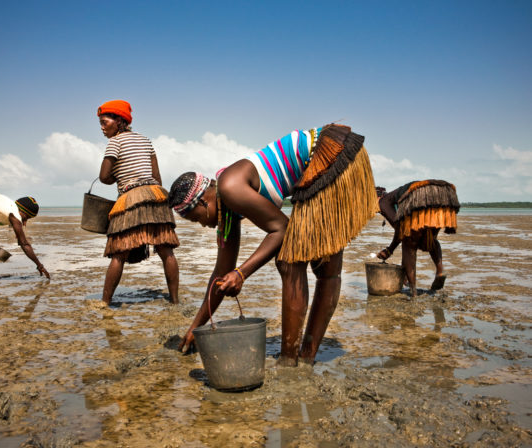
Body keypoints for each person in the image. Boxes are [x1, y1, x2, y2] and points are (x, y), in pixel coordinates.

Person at [168, 124, 377, 365]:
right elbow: (219, 275)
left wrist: (241, 273)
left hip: (331, 154)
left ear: (204, 201)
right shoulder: (227, 214)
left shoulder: (229, 186)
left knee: (290, 261)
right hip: (335, 153)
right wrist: (196, 327)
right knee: (320, 267)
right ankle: (305, 358)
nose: (203, 225)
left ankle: (292, 360)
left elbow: (281, 228)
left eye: (197, 218)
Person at [97, 100, 179, 305]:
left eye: (104, 122)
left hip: (131, 198)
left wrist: (120, 175)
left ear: (119, 121)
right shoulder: (145, 140)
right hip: (156, 195)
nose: (102, 127)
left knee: (118, 253)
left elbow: (104, 177)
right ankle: (175, 300)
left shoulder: (115, 142)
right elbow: (157, 177)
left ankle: (105, 302)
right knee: (165, 250)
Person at [376, 180, 460, 296]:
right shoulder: (398, 199)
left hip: (420, 194)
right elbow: (402, 228)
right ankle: (440, 270)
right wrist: (391, 252)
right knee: (430, 238)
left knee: (409, 244)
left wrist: (390, 250)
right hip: (444, 195)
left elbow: (401, 231)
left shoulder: (383, 202)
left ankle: (413, 292)